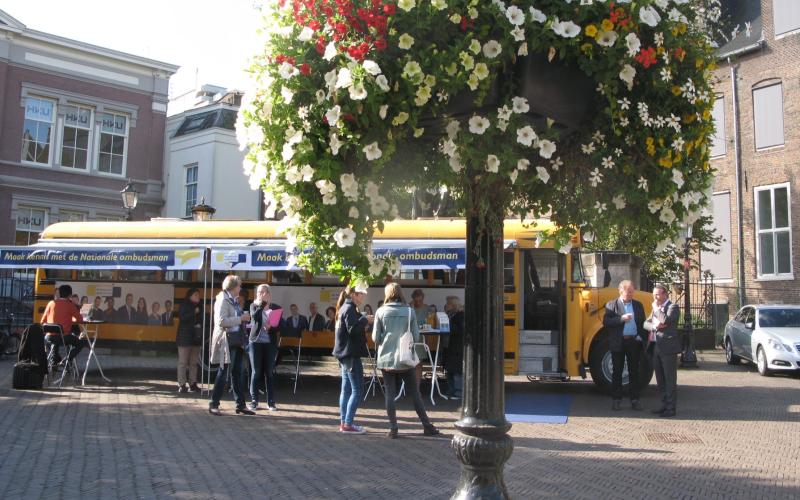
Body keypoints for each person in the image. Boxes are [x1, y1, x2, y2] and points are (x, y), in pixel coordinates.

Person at [372, 283, 440, 439]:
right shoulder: (409, 311)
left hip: (386, 359)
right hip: (405, 359)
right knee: (415, 393)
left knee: (390, 394)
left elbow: (376, 337)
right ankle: (427, 425)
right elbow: (415, 337)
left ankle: (393, 428)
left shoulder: (380, 311)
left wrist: (386, 338)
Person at [209, 275, 252, 415]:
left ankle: (240, 405)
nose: (241, 288)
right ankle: (213, 404)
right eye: (239, 285)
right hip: (227, 340)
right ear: (232, 287)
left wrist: (244, 319)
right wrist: (240, 319)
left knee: (237, 373)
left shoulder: (233, 300)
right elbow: (221, 321)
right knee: (224, 372)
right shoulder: (223, 299)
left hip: (236, 340)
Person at [332, 283, 373, 434]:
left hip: (345, 354)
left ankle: (344, 423)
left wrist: (362, 320)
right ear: (353, 295)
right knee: (357, 390)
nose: (363, 295)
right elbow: (352, 330)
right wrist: (364, 320)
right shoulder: (349, 308)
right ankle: (347, 424)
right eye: (361, 293)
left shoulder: (345, 307)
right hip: (351, 354)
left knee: (346, 389)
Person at [602, 280, 647, 411]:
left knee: (634, 371)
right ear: (621, 291)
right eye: (629, 292)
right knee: (617, 372)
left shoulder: (638, 305)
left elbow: (642, 323)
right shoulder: (612, 305)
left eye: (633, 291)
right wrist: (621, 319)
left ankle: (635, 399)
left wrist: (640, 336)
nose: (631, 294)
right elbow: (606, 321)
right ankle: (617, 399)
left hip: (633, 342)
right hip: (618, 341)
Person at [644, 284, 681, 418]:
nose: (655, 297)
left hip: (668, 348)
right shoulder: (656, 308)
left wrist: (656, 310)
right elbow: (645, 323)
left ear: (665, 294)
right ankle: (664, 404)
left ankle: (671, 408)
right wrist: (654, 326)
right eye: (654, 294)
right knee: (660, 378)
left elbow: (666, 320)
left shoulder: (672, 307)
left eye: (657, 294)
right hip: (656, 346)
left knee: (669, 379)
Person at [247, 284, 282, 411]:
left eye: (262, 292)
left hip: (270, 343)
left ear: (268, 294)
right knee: (256, 372)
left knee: (269, 372)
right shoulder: (253, 306)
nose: (259, 294)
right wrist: (261, 305)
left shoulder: (276, 308)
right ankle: (254, 400)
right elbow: (255, 318)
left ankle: (271, 402)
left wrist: (271, 327)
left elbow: (278, 326)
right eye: (258, 292)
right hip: (255, 342)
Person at [41, 284, 88, 370]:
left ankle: (53, 364)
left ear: (59, 293)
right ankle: (66, 360)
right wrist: (71, 320)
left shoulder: (51, 303)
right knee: (81, 343)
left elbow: (42, 321)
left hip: (48, 337)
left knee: (55, 342)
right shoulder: (69, 305)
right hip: (64, 337)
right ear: (70, 295)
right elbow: (80, 320)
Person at [176, 288, 203, 393]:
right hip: (184, 338)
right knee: (183, 362)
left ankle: (193, 383)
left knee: (193, 363)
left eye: (198, 295)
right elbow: (182, 318)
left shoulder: (200, 306)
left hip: (196, 338)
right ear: (190, 296)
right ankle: (182, 384)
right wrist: (193, 312)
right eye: (196, 295)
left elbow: (202, 319)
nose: (198, 297)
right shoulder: (184, 305)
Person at [443, 296, 464, 399]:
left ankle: (458, 392)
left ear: (454, 305)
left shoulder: (460, 316)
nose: (446, 306)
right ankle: (451, 391)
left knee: (456, 371)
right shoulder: (451, 315)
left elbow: (460, 330)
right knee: (450, 370)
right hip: (452, 346)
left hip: (457, 347)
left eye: (448, 304)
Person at [410, 289, 429, 383]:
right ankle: (409, 387)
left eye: (420, 301)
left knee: (418, 363)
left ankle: (417, 388)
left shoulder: (427, 309)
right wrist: (411, 307)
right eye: (416, 300)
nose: (418, 303)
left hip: (421, 339)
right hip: (410, 339)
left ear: (423, 299)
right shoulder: (410, 308)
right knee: (409, 364)